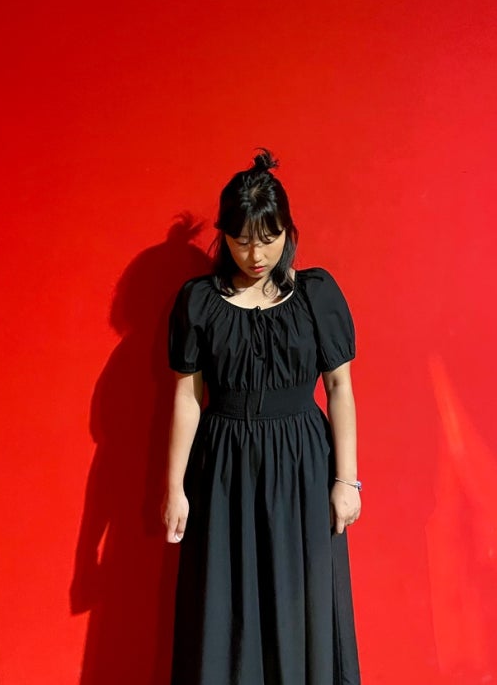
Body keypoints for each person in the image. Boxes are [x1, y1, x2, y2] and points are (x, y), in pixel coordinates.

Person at [162, 149, 361, 685]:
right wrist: (175, 488)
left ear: (287, 232)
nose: (256, 254)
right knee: (225, 606)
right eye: (242, 240)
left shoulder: (316, 294)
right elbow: (187, 397)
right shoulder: (199, 302)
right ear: (224, 236)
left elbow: (339, 387)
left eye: (268, 239)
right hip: (223, 468)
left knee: (301, 601)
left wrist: (347, 481)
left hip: (302, 465)